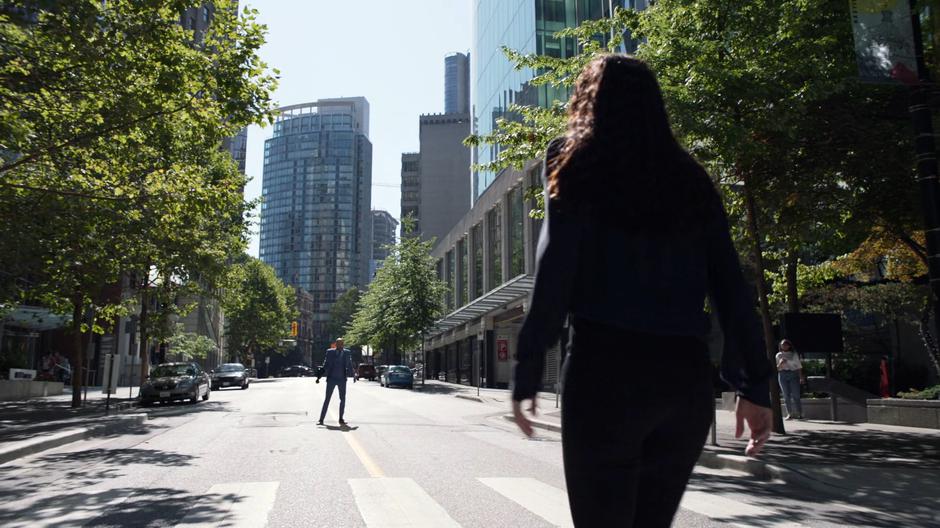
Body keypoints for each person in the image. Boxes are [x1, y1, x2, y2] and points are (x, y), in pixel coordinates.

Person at [510, 55, 773, 527]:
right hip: (684, 381)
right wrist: (754, 386)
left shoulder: (573, 159)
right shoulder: (692, 177)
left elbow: (555, 268)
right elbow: (733, 286)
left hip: (605, 373)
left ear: (588, 101)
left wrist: (528, 368)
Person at [316, 337, 355, 426]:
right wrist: (319, 375)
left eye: (341, 343)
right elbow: (325, 364)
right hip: (331, 379)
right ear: (335, 344)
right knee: (327, 399)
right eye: (338, 343)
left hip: (342, 379)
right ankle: (321, 419)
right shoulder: (330, 352)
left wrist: (354, 375)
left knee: (342, 399)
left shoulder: (347, 353)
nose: (339, 345)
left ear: (343, 344)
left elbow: (349, 364)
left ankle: (341, 418)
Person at [775, 339, 804, 420]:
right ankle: (789, 414)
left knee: (796, 395)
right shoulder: (778, 355)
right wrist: (780, 363)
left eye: (786, 344)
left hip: (793, 374)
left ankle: (800, 413)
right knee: (786, 395)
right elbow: (776, 368)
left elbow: (799, 366)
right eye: (782, 345)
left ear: (789, 345)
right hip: (782, 375)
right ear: (780, 346)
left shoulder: (794, 354)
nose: (784, 346)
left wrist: (801, 377)